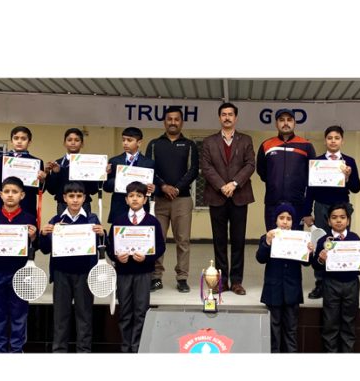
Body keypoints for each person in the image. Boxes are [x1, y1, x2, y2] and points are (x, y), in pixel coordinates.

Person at [39, 182, 104, 352]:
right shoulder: (56, 221)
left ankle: (84, 350)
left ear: (84, 198)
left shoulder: (92, 220)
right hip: (62, 274)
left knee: (84, 316)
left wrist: (103, 235)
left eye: (79, 196)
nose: (75, 200)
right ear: (64, 198)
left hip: (85, 274)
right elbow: (45, 249)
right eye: (71, 196)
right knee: (61, 316)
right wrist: (44, 234)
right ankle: (59, 350)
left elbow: (103, 247)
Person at [0, 176, 38, 353]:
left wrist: (33, 237)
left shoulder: (29, 219)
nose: (10, 195)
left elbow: (37, 247)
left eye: (15, 192)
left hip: (21, 273)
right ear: (0, 195)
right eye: (7, 192)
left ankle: (17, 351)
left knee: (19, 316)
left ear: (22, 195)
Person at [200, 102, 255, 296]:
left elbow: (250, 165)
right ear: (219, 118)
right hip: (217, 196)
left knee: (239, 241)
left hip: (240, 196)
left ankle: (237, 282)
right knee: (219, 241)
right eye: (223, 114)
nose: (227, 117)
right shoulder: (209, 141)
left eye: (230, 114)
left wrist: (234, 184)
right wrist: (222, 186)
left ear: (236, 118)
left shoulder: (246, 140)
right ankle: (221, 281)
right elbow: (206, 167)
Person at [145, 107, 199, 293]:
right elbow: (149, 169)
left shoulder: (190, 144)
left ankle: (182, 278)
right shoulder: (154, 144)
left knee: (183, 240)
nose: (173, 122)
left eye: (177, 119)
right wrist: (163, 186)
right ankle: (156, 277)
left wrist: (176, 188)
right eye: (170, 119)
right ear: (165, 122)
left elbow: (193, 170)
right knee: (157, 239)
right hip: (159, 200)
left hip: (182, 200)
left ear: (181, 122)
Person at [107, 181, 166, 353]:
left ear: (145, 199)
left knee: (141, 311)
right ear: (126, 200)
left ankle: (138, 346)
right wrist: (116, 257)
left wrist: (147, 257)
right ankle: (126, 347)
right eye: (131, 196)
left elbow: (161, 246)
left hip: (143, 273)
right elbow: (111, 246)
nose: (135, 199)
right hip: (124, 273)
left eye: (139, 196)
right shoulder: (119, 221)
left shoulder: (152, 222)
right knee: (125, 311)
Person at [304, 125, 360, 300]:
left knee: (341, 243)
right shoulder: (317, 161)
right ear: (325, 140)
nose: (333, 141)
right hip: (321, 206)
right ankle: (320, 283)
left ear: (342, 141)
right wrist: (307, 211)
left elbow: (357, 188)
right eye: (330, 138)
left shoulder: (349, 162)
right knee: (322, 243)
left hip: (342, 208)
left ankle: (340, 280)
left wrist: (349, 176)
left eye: (337, 138)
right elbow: (310, 188)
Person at [256, 203, 313, 353]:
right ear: (275, 220)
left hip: (292, 291)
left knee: (291, 330)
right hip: (273, 290)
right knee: (273, 330)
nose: (285, 221)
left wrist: (309, 252)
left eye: (289, 218)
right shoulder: (267, 237)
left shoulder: (300, 239)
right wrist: (267, 242)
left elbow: (306, 263)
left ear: (293, 222)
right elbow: (260, 258)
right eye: (281, 218)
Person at [312, 203, 360, 353]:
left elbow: (358, 261)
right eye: (334, 218)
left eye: (342, 217)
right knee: (330, 323)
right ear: (328, 221)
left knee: (349, 322)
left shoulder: (355, 238)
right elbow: (315, 265)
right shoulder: (324, 239)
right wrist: (321, 259)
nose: (338, 221)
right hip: (331, 284)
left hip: (351, 285)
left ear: (348, 220)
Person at [256, 109, 316, 230]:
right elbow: (262, 172)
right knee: (273, 241)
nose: (285, 123)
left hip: (297, 203)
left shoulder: (306, 146)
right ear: (276, 123)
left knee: (295, 243)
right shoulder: (266, 145)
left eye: (289, 120)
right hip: (273, 203)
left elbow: (312, 175)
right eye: (281, 120)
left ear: (294, 123)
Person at [0, 126, 46, 219]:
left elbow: (38, 191)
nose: (19, 141)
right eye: (16, 138)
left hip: (27, 209)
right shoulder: (1, 160)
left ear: (29, 142)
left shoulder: (36, 162)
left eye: (23, 138)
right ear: (11, 141)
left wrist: (42, 180)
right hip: (4, 209)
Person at [104, 127, 156, 223]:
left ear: (139, 143)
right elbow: (106, 187)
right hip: (119, 207)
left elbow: (155, 187)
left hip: (141, 209)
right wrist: (118, 181)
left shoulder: (149, 163)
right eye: (123, 140)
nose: (125, 143)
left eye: (129, 140)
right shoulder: (114, 161)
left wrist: (153, 189)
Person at [44, 128, 100, 216]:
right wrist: (55, 173)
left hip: (84, 204)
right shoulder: (57, 163)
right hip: (63, 205)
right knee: (64, 229)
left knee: (84, 229)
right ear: (64, 143)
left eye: (77, 140)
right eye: (69, 140)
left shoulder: (88, 163)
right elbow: (52, 190)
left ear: (82, 144)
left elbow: (93, 190)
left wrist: (94, 173)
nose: (73, 143)